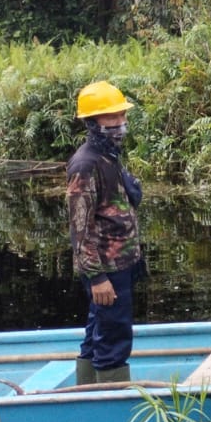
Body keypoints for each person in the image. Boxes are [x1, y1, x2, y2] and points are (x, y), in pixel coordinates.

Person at [67, 80, 145, 386]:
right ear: (92, 122)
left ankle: (86, 389)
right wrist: (97, 277)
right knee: (113, 335)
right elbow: (80, 228)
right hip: (105, 268)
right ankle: (112, 407)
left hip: (120, 263)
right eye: (111, 117)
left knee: (98, 327)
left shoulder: (108, 155)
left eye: (122, 116)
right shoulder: (86, 164)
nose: (120, 123)